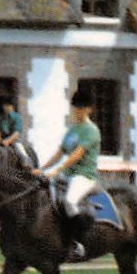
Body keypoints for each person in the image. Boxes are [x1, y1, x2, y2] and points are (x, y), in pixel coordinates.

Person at [35, 86, 101, 262]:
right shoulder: (72, 130)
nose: (77, 111)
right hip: (67, 175)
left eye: (80, 108)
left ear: (89, 109)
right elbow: (59, 153)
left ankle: (78, 243)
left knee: (70, 202)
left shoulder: (91, 130)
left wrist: (56, 171)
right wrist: (41, 169)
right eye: (75, 107)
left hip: (84, 176)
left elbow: (77, 155)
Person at [0, 98, 34, 166]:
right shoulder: (0, 117)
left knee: (22, 153)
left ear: (12, 106)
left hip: (14, 140)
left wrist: (8, 141)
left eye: (7, 106)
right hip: (2, 141)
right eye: (4, 106)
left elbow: (17, 132)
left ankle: (29, 167)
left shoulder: (17, 117)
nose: (5, 108)